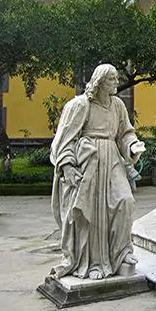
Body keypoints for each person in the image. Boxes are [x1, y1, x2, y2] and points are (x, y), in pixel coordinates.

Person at [49, 64, 146, 280]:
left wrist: (132, 146)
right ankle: (92, 262)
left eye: (116, 78)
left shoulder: (118, 106)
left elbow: (125, 133)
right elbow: (64, 139)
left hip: (112, 157)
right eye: (111, 79)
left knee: (125, 201)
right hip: (89, 161)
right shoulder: (81, 105)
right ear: (100, 81)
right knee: (91, 212)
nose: (116, 82)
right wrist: (67, 165)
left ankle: (122, 253)